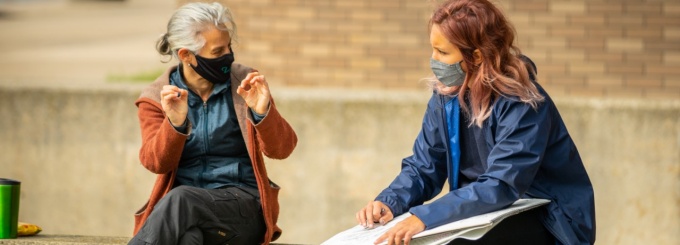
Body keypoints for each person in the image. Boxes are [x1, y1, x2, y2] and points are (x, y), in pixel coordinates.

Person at [355, 0, 595, 244]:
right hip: (480, 214)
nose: (434, 60)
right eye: (433, 50)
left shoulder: (522, 103)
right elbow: (424, 166)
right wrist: (390, 201)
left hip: (549, 217)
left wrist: (425, 217)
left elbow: (502, 184)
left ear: (477, 56)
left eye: (443, 52)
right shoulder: (446, 97)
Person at [128, 2, 297, 245]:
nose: (228, 56)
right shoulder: (156, 98)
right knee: (189, 239)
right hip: (185, 214)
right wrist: (175, 125)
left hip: (243, 208)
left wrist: (263, 113)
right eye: (218, 52)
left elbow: (282, 150)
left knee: (181, 199)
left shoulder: (245, 83)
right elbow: (155, 163)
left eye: (229, 47)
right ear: (187, 55)